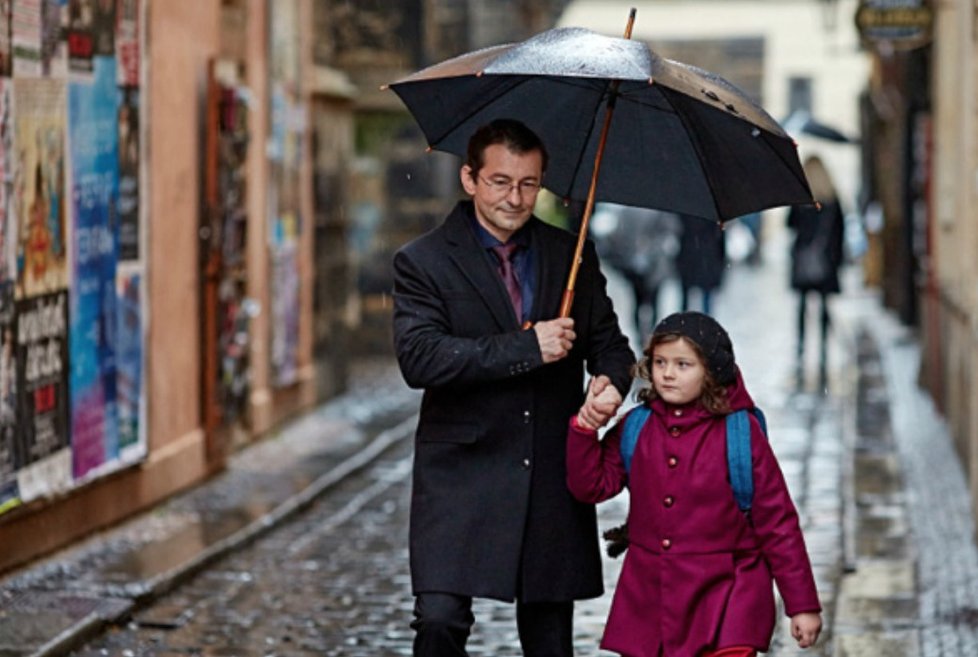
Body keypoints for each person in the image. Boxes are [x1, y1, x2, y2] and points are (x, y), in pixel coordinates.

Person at [392, 118, 635, 656]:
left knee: (549, 640)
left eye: (528, 183)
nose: (515, 197)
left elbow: (612, 346)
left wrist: (611, 384)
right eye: (500, 181)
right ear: (469, 179)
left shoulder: (570, 255)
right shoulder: (423, 262)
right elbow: (421, 359)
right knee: (439, 620)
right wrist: (528, 348)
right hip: (462, 473)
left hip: (548, 468)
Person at [566, 311, 823, 657]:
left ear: (711, 372)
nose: (668, 373)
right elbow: (591, 486)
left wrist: (802, 604)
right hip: (651, 599)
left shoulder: (740, 433)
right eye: (660, 362)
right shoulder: (636, 427)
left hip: (728, 598)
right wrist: (584, 430)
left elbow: (778, 524)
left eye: (683, 364)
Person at [787, 155, 845, 385]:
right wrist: (836, 261)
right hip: (825, 262)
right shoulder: (832, 200)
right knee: (823, 305)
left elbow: (789, 225)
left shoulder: (802, 200)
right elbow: (840, 233)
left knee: (802, 306)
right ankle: (822, 348)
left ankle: (801, 347)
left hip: (804, 261)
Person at [592, 203, 681, 342]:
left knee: (647, 302)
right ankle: (645, 334)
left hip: (650, 267)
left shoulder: (656, 213)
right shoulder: (655, 212)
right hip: (639, 267)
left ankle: (647, 333)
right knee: (644, 302)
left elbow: (668, 234)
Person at [676, 215, 726, 315]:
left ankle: (685, 321)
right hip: (707, 255)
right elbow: (721, 236)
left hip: (689, 253)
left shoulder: (684, 210)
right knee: (706, 293)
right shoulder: (713, 213)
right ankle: (706, 321)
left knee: (687, 294)